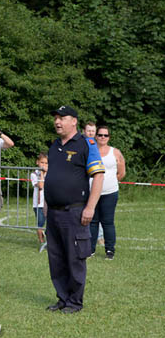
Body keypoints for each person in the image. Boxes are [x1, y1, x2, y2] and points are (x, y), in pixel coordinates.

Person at [44, 105, 104, 314]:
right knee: (56, 257)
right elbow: (51, 176)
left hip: (75, 212)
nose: (57, 122)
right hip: (54, 212)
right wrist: (46, 204)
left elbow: (98, 175)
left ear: (74, 121)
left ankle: (75, 302)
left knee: (74, 258)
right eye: (56, 118)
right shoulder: (54, 146)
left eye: (62, 118)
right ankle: (62, 298)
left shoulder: (86, 144)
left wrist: (90, 207)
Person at [90, 125, 126, 260]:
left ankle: (110, 250)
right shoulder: (90, 151)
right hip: (92, 192)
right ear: (96, 136)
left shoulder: (115, 152)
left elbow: (122, 172)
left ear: (109, 137)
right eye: (100, 135)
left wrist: (110, 183)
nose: (102, 137)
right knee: (92, 221)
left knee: (107, 222)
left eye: (105, 135)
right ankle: (90, 249)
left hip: (110, 193)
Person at [82, 122, 105, 246]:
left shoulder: (92, 145)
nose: (90, 133)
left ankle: (99, 236)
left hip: (94, 184)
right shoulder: (82, 144)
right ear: (83, 131)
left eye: (93, 131)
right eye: (88, 130)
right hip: (84, 185)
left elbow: (99, 174)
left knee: (94, 212)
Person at [30, 153, 48, 252]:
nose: (44, 165)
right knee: (40, 223)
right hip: (38, 204)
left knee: (50, 224)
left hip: (49, 203)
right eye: (42, 162)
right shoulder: (34, 174)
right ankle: (41, 241)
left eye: (46, 163)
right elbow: (40, 185)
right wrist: (41, 173)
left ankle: (49, 240)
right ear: (37, 162)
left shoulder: (51, 173)